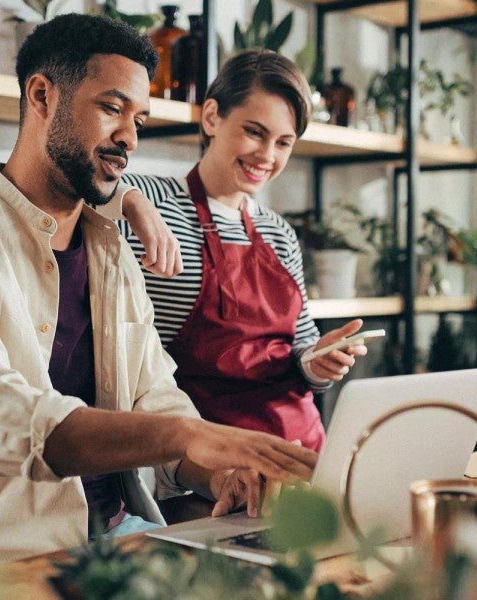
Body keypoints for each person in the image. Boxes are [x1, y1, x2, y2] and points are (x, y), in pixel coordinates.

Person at [0, 15, 317, 585]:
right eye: (112, 109)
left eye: (139, 119)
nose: (130, 138)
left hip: (119, 546)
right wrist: (191, 435)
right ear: (42, 95)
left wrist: (216, 473)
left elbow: (154, 396)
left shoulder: (111, 249)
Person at [118, 50, 369, 452]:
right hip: (205, 456)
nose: (267, 156)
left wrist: (319, 362)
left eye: (284, 143)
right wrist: (129, 200)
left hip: (301, 447)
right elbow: (79, 186)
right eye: (255, 132)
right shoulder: (152, 202)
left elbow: (300, 355)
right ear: (212, 117)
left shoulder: (279, 232)